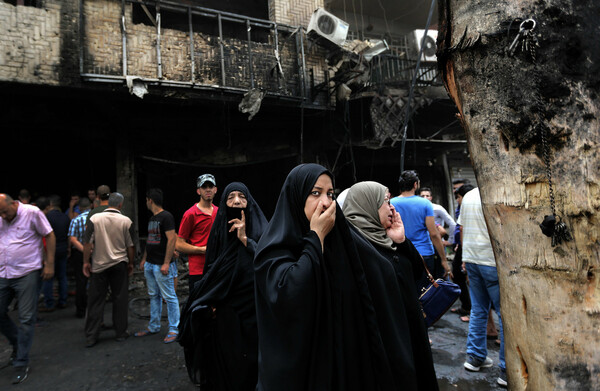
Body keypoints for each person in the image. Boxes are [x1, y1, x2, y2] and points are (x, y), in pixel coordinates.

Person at [254, 163, 435, 391]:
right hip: (302, 371)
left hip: (344, 367)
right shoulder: (275, 248)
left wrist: (401, 244)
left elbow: (389, 274)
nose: (326, 203)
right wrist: (315, 237)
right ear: (296, 196)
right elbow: (290, 292)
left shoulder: (342, 242)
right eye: (315, 193)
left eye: (330, 194)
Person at [342, 181, 439, 390]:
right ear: (367, 205)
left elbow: (417, 273)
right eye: (386, 201)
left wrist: (402, 241)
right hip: (386, 341)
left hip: (409, 332)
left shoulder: (387, 237)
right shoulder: (353, 244)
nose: (392, 207)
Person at [179, 182, 268, 389]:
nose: (237, 201)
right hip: (225, 319)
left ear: (250, 203)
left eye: (242, 197)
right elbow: (211, 275)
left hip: (254, 318)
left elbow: (269, 268)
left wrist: (246, 241)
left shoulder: (264, 235)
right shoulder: (218, 237)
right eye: (231, 197)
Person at [0, 193, 56, 384]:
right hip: (4, 272)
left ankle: (21, 361)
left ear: (14, 204)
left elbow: (49, 234)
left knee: (26, 317)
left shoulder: (32, 212)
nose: (4, 217)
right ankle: (17, 342)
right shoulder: (0, 216)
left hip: (28, 272)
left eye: (5, 212)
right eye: (0, 214)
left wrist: (49, 264)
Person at [457, 187, 506, 388]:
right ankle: (506, 369)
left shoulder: (468, 195)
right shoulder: (499, 192)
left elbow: (462, 229)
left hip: (472, 258)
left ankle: (475, 357)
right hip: (492, 262)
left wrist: (464, 258)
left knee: (478, 310)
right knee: (505, 316)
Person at [83, 192, 137, 347]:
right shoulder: (126, 221)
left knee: (95, 300)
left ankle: (91, 336)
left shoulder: (94, 219)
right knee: (120, 298)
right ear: (120, 204)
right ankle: (120, 332)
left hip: (99, 265)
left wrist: (86, 262)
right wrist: (131, 263)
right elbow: (131, 246)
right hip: (119, 264)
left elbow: (87, 243)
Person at [391, 171, 451, 291]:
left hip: (400, 252)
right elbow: (433, 234)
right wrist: (443, 259)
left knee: (405, 290)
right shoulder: (425, 203)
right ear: (415, 185)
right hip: (424, 253)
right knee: (425, 291)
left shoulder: (391, 203)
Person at [135, 188, 179, 344]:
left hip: (161, 264)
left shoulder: (166, 217)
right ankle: (154, 326)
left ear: (150, 200)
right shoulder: (153, 218)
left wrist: (166, 262)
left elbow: (172, 239)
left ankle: (174, 328)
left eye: (146, 200)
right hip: (151, 263)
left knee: (170, 297)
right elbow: (151, 240)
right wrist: (144, 259)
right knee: (154, 296)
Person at [176, 174, 218, 291]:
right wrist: (202, 250)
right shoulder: (190, 214)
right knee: (198, 306)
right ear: (198, 191)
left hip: (217, 268)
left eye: (211, 186)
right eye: (204, 187)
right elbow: (178, 244)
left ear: (215, 190)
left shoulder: (219, 213)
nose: (208, 189)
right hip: (198, 271)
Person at [40, 195, 71, 312]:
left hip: (50, 250)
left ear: (51, 204)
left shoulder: (46, 217)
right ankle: (63, 301)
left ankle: (49, 303)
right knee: (62, 276)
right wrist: (68, 248)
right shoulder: (65, 218)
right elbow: (69, 235)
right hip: (63, 248)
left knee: (48, 277)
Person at [68, 197, 92, 318]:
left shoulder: (76, 220)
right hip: (95, 251)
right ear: (90, 206)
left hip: (79, 252)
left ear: (80, 208)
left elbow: (73, 239)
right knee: (96, 281)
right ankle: (94, 308)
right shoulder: (96, 218)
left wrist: (84, 250)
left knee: (81, 281)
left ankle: (81, 310)